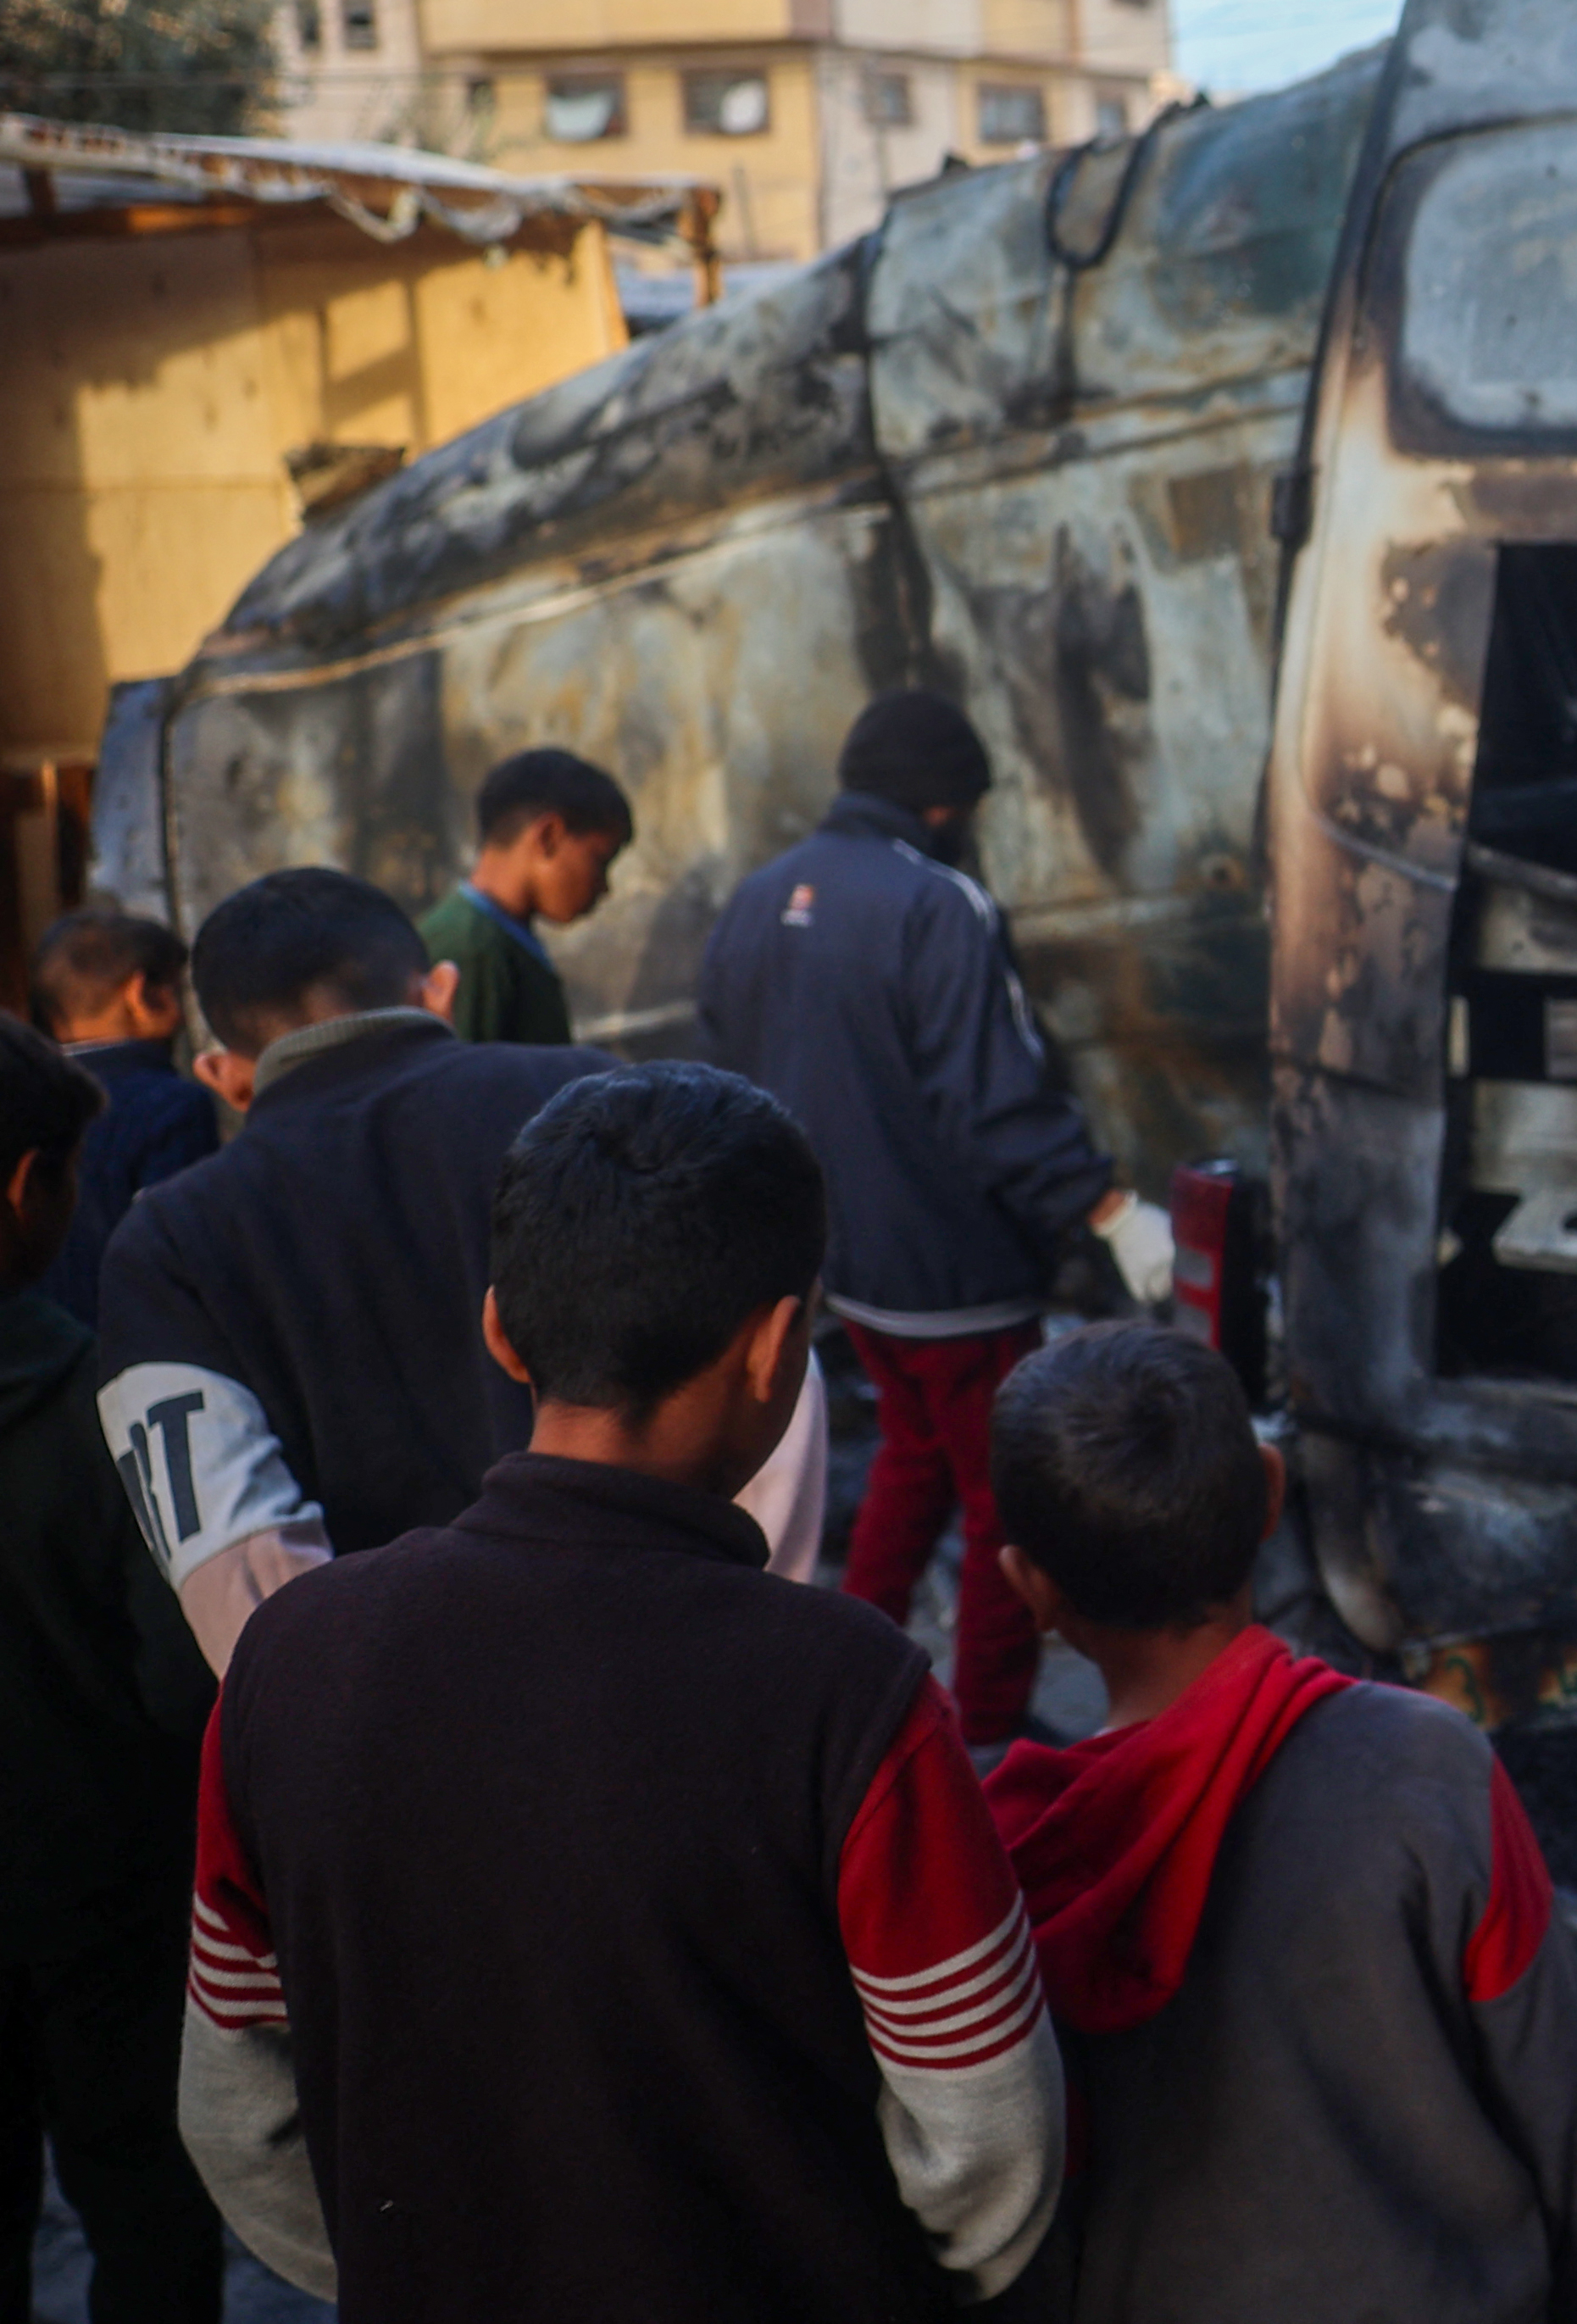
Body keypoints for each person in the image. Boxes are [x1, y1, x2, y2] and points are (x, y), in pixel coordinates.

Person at [177, 1065, 1061, 2320]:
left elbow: (236, 2107)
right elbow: (990, 2142)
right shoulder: (851, 1696)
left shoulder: (289, 1656)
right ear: (775, 1346)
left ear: (501, 1329)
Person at [980, 1324, 1577, 2324]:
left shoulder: (1001, 1862)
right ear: (1272, 1494)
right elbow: (1558, 2099)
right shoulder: (1427, 1768)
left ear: (1029, 1588)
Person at [700, 692, 1173, 1749]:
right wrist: (1108, 1206)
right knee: (1008, 1495)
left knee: (916, 1458)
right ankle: (987, 1732)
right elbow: (994, 1096)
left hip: (846, 1265)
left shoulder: (758, 896)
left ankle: (856, 1677)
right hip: (958, 1276)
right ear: (948, 803)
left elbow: (725, 1069)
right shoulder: (939, 901)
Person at [92, 869, 614, 1671]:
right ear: (438, 989)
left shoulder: (166, 1242)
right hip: (646, 1662)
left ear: (224, 1073)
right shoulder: (592, 1098)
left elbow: (237, 1566)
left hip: (392, 1733)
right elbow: (751, 1379)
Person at [0, 1015, 222, 2324]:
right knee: (145, 2195)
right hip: (104, 1895)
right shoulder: (104, 1402)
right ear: (32, 1181)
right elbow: (180, 1675)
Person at [28, 907, 219, 1327]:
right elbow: (185, 1257)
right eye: (177, 989)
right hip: (138, 1354)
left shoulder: (23, 1101)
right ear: (142, 994)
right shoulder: (173, 1105)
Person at [416, 747, 634, 1048]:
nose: (604, 887)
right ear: (549, 836)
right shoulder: (473, 948)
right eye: (600, 861)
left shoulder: (501, 937)